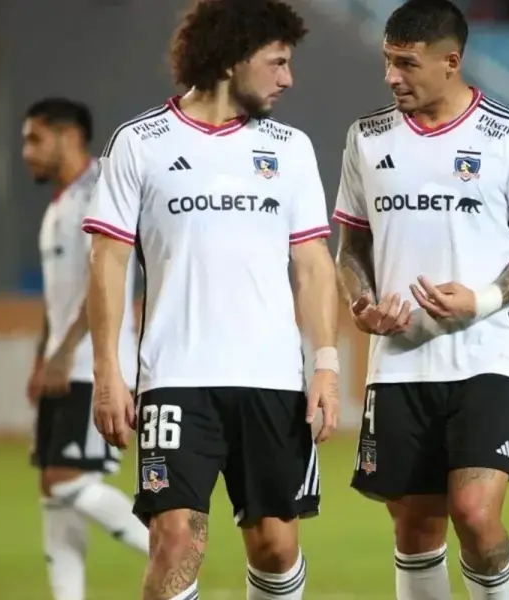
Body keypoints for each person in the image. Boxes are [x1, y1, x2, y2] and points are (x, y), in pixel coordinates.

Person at [82, 2, 340, 599]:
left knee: (275, 548)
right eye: (277, 62)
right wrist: (107, 373)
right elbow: (109, 262)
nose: (287, 78)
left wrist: (324, 365)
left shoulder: (291, 148)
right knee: (176, 542)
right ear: (233, 58)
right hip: (176, 378)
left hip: (272, 380)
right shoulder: (140, 143)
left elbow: (312, 264)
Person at [332, 2, 509, 600]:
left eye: (406, 64)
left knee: (474, 513)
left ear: (451, 61)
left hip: (482, 352)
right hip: (399, 360)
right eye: (388, 61)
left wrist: (483, 299)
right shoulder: (366, 137)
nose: (391, 77)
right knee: (413, 527)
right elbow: (350, 249)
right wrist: (362, 305)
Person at [20, 97, 149, 600]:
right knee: (53, 494)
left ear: (69, 136)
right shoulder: (59, 204)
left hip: (94, 366)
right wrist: (43, 354)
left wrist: (62, 351)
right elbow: (61, 297)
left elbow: (104, 284)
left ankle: (171, 550)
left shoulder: (100, 191)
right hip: (63, 363)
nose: (26, 151)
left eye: (35, 138)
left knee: (67, 481)